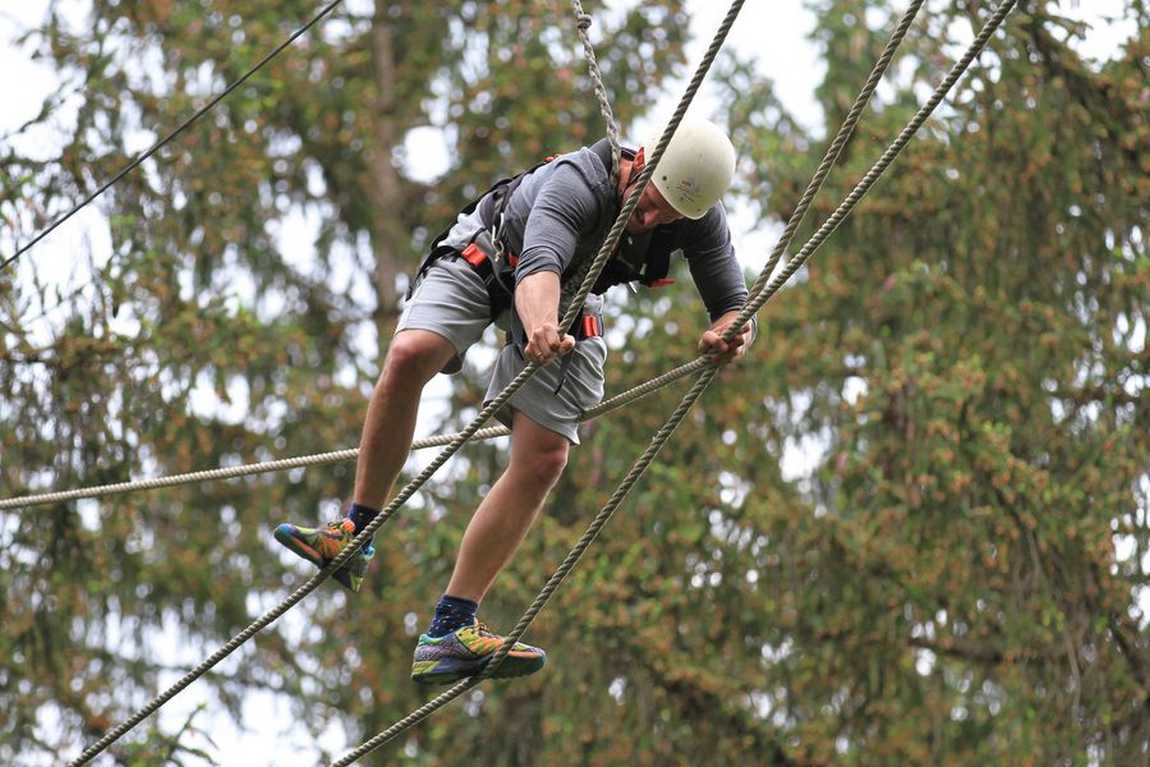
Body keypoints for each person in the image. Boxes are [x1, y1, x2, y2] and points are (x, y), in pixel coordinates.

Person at [274, 116, 756, 684]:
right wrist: (540, 325)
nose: (650, 221)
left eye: (666, 217)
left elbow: (736, 304)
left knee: (546, 457)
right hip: (495, 258)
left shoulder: (696, 216)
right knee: (409, 356)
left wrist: (730, 335)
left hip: (574, 298)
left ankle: (451, 628)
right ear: (642, 158)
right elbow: (539, 268)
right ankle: (354, 533)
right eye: (647, 203)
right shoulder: (579, 182)